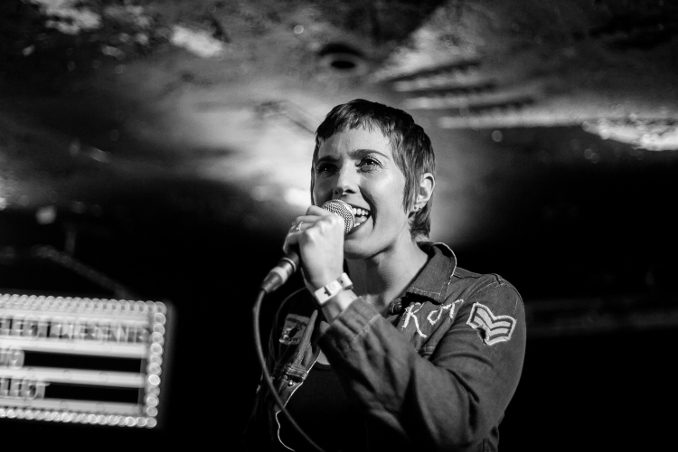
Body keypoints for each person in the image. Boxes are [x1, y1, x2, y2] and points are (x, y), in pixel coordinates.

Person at [242, 99, 526, 451]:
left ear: (419, 193)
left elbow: (456, 426)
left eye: (369, 164)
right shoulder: (298, 310)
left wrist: (333, 292)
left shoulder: (481, 298)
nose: (342, 183)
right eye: (328, 168)